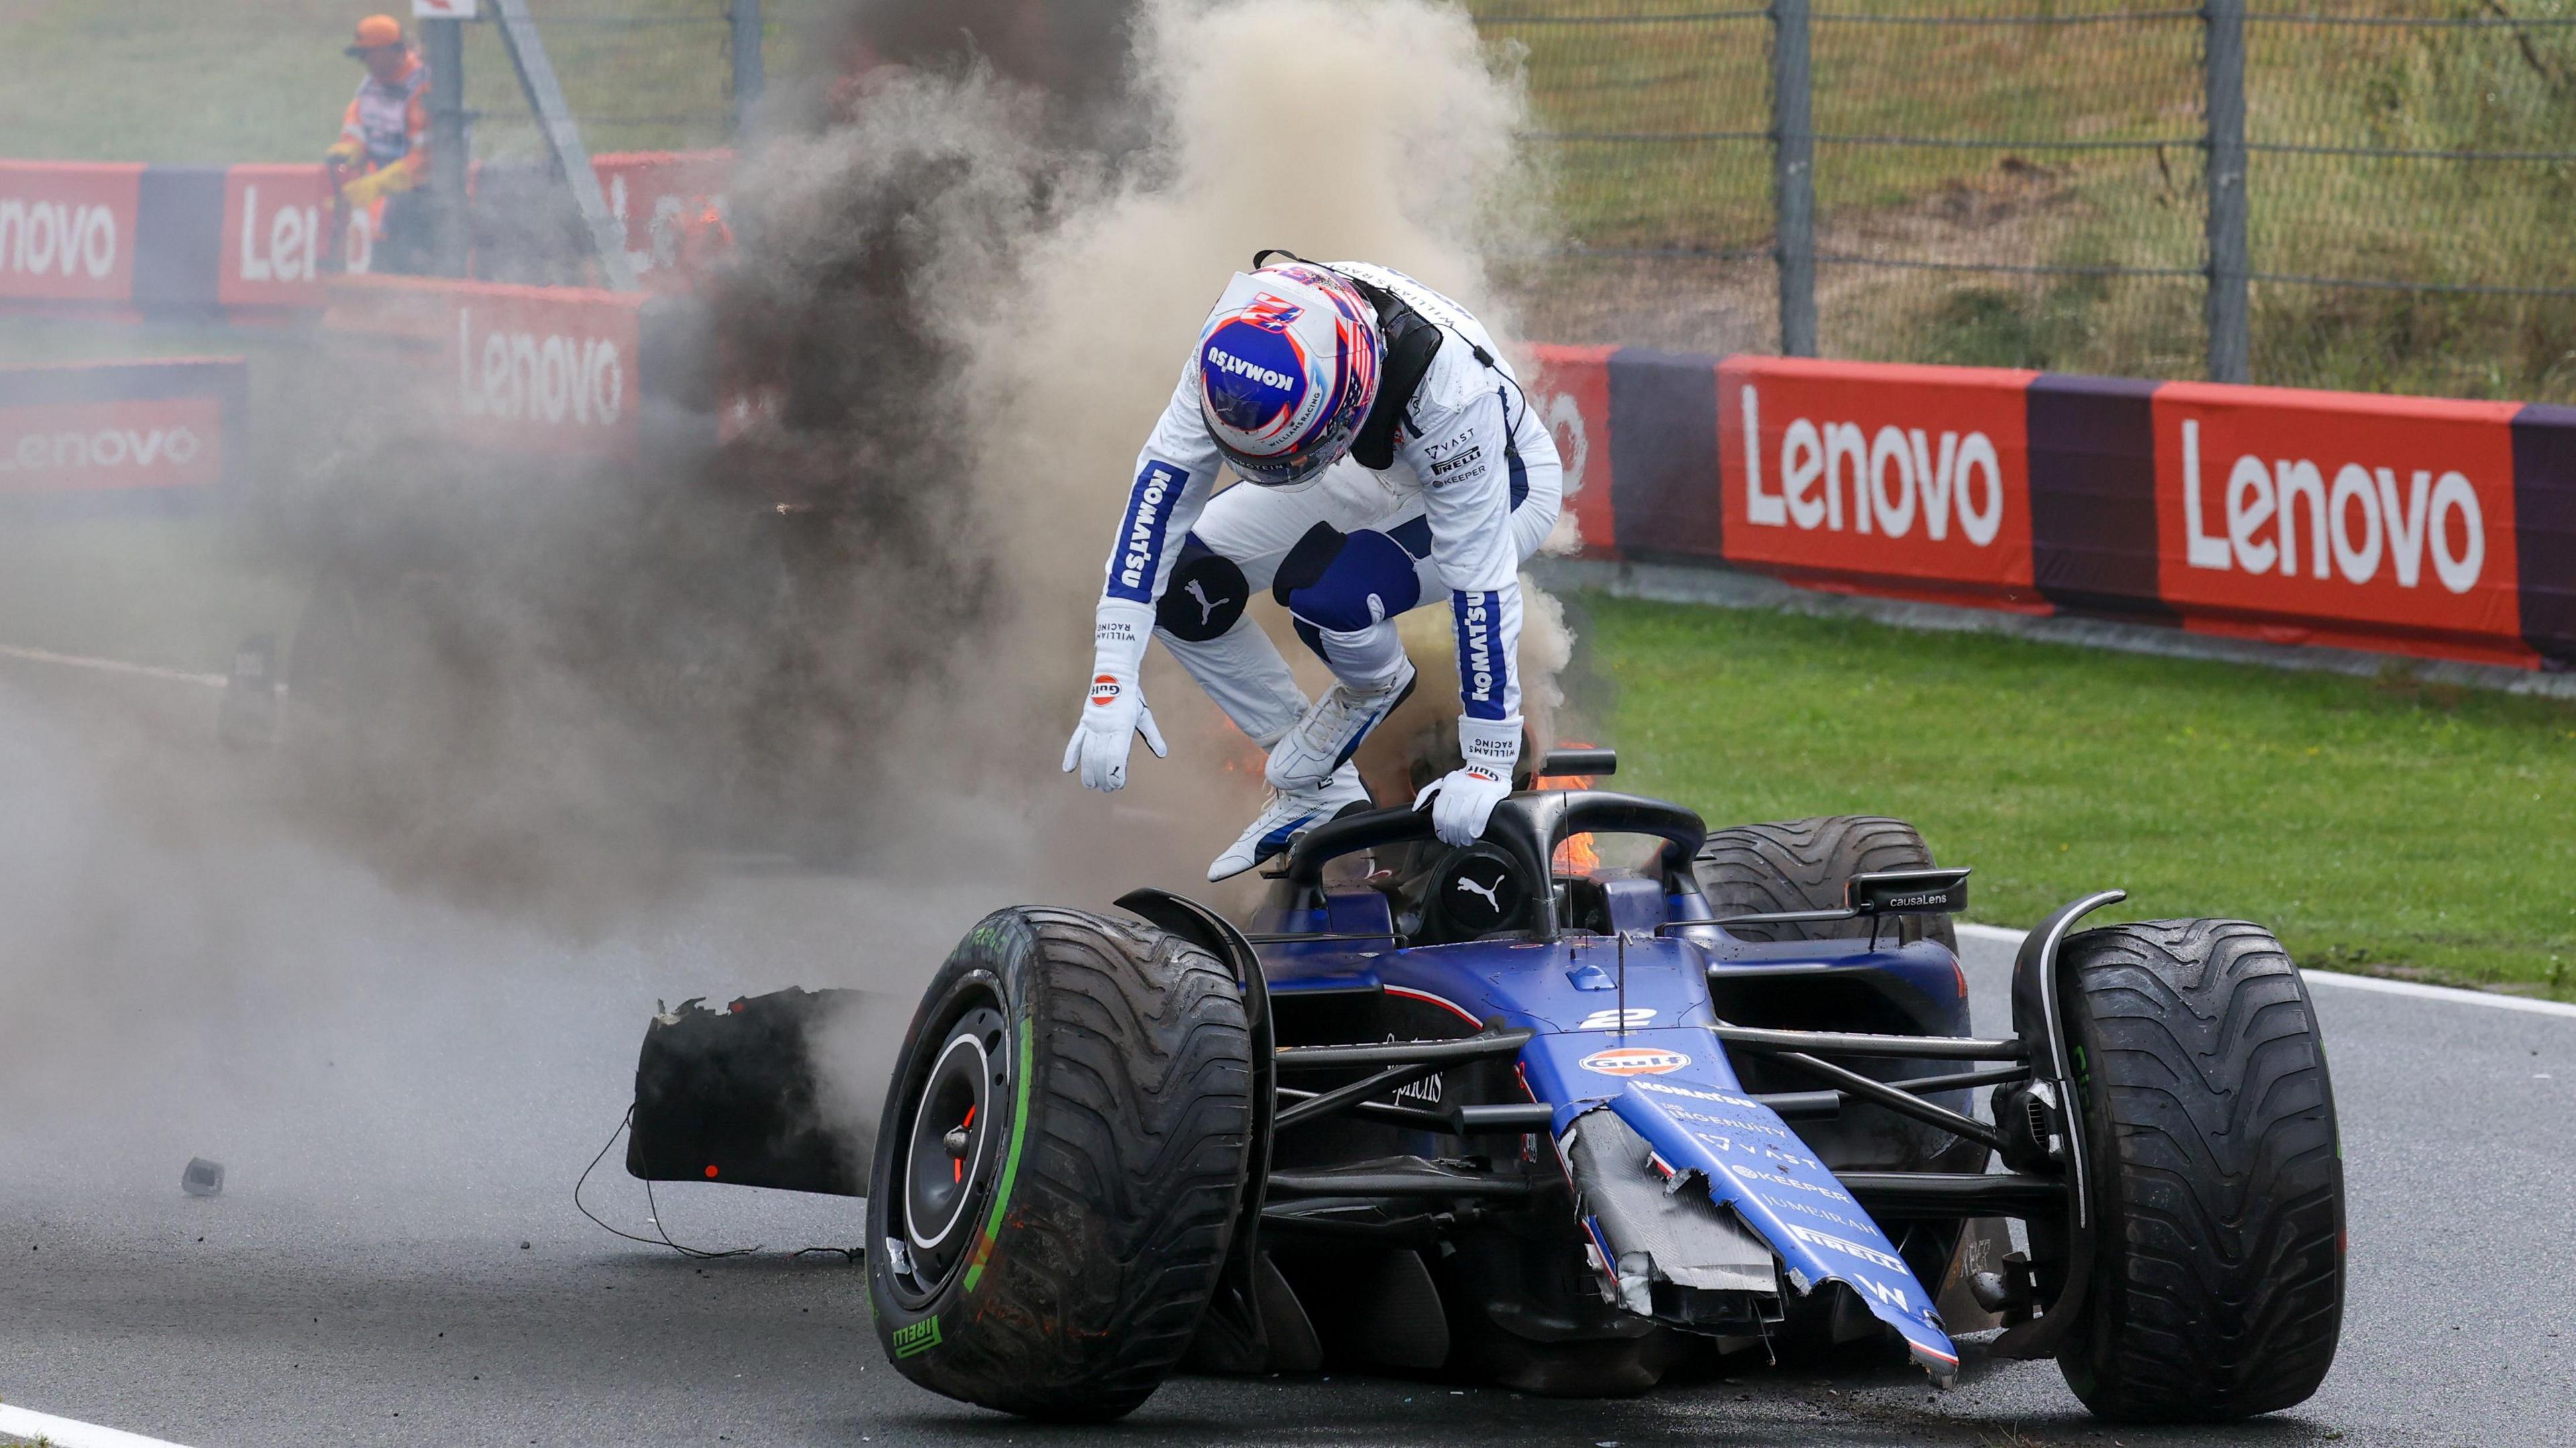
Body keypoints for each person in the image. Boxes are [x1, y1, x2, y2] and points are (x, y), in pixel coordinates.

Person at [1063, 254, 1562, 879]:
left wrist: (1488, 756)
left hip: (1498, 481)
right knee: (1180, 583)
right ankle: (1315, 789)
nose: (1277, 482)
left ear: (1345, 400)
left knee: (1330, 602)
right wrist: (1113, 669)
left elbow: (1480, 581)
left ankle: (1373, 685)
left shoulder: (1452, 395)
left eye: (1289, 462)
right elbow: (1158, 495)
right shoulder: (1236, 341)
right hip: (1361, 463)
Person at [325, 14, 435, 276]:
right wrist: (351, 148)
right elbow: (357, 121)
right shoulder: (371, 84)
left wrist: (378, 184)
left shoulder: (422, 88)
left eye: (368, 54)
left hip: (421, 197)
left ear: (390, 51)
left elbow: (426, 159)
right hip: (383, 193)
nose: (364, 62)